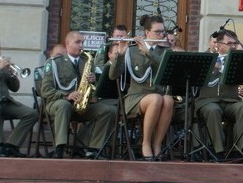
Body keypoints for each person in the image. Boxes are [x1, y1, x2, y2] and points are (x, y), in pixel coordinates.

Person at [40, 31, 117, 159]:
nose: (81, 45)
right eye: (78, 42)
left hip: (81, 105)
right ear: (68, 43)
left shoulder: (87, 61)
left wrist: (94, 82)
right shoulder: (54, 62)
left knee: (109, 110)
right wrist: (67, 95)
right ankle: (60, 148)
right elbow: (46, 90)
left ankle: (93, 149)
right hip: (58, 103)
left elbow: (94, 91)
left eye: (83, 42)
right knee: (64, 105)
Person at [118, 14, 175, 160]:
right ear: (147, 33)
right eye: (158, 32)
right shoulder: (132, 50)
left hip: (158, 96)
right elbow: (113, 75)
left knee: (168, 99)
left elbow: (165, 69)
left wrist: (148, 53)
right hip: (136, 97)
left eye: (163, 31)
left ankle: (157, 144)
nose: (162, 34)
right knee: (156, 99)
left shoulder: (165, 51)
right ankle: (145, 143)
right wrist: (120, 54)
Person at [192, 29, 243, 160]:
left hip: (230, 100)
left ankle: (240, 149)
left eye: (234, 43)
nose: (233, 46)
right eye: (230, 43)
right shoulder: (205, 58)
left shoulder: (238, 60)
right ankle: (217, 150)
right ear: (219, 45)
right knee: (213, 110)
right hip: (207, 100)